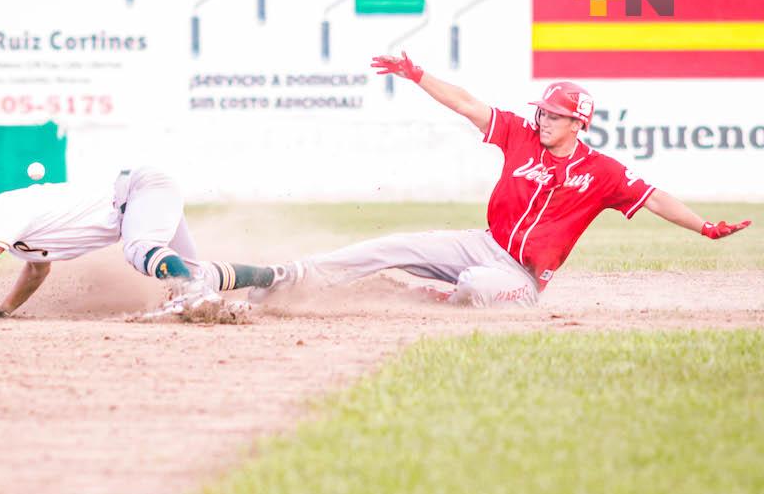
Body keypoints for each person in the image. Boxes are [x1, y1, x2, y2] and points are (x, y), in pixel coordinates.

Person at [249, 52, 752, 307]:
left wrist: (705, 228)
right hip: (482, 244)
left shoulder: (601, 171)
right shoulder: (519, 134)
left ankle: (436, 298)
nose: (545, 120)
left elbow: (656, 198)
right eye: (544, 112)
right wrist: (419, 75)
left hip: (521, 279)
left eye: (556, 115)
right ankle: (292, 278)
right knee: (393, 245)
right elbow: (468, 103)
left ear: (580, 124)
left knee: (475, 288)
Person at [0, 167, 274, 319]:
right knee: (193, 273)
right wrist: (3, 309)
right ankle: (271, 279)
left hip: (140, 192)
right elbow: (36, 270)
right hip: (142, 196)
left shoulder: (3, 213)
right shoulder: (15, 229)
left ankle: (194, 292)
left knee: (139, 249)